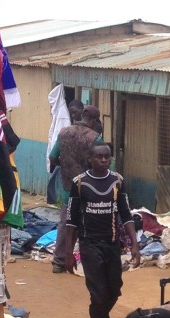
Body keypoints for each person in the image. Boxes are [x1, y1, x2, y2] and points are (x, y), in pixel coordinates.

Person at [64, 143, 141, 318]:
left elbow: (126, 214)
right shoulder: (79, 183)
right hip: (89, 245)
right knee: (98, 294)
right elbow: (71, 220)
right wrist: (68, 252)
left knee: (114, 290)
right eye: (99, 157)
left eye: (107, 157)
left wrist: (135, 244)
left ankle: (96, 315)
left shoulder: (118, 181)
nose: (104, 160)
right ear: (90, 159)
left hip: (112, 244)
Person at [50, 105, 105, 274]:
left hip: (68, 186)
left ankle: (59, 261)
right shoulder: (95, 138)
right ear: (95, 120)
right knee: (87, 225)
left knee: (65, 223)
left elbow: (52, 157)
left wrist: (64, 165)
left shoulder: (64, 132)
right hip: (89, 188)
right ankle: (87, 262)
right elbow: (100, 164)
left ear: (82, 115)